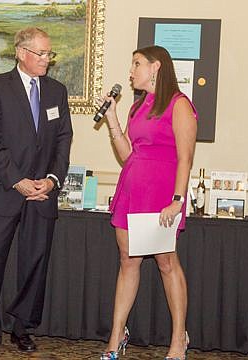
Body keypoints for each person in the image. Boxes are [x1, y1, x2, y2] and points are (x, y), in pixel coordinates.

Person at [0, 27, 73, 356]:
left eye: (49, 54)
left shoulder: (57, 92)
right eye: (41, 53)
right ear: (21, 52)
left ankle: (21, 327)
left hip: (42, 193)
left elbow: (63, 140)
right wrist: (17, 180)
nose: (47, 59)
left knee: (34, 263)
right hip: (5, 190)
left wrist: (52, 179)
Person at [100, 45, 197, 360]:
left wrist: (177, 200)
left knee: (167, 264)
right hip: (131, 191)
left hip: (162, 197)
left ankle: (178, 340)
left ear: (156, 67)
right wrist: (113, 118)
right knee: (128, 262)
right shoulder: (137, 107)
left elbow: (185, 159)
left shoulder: (179, 104)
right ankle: (116, 338)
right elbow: (128, 154)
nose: (130, 71)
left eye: (136, 64)